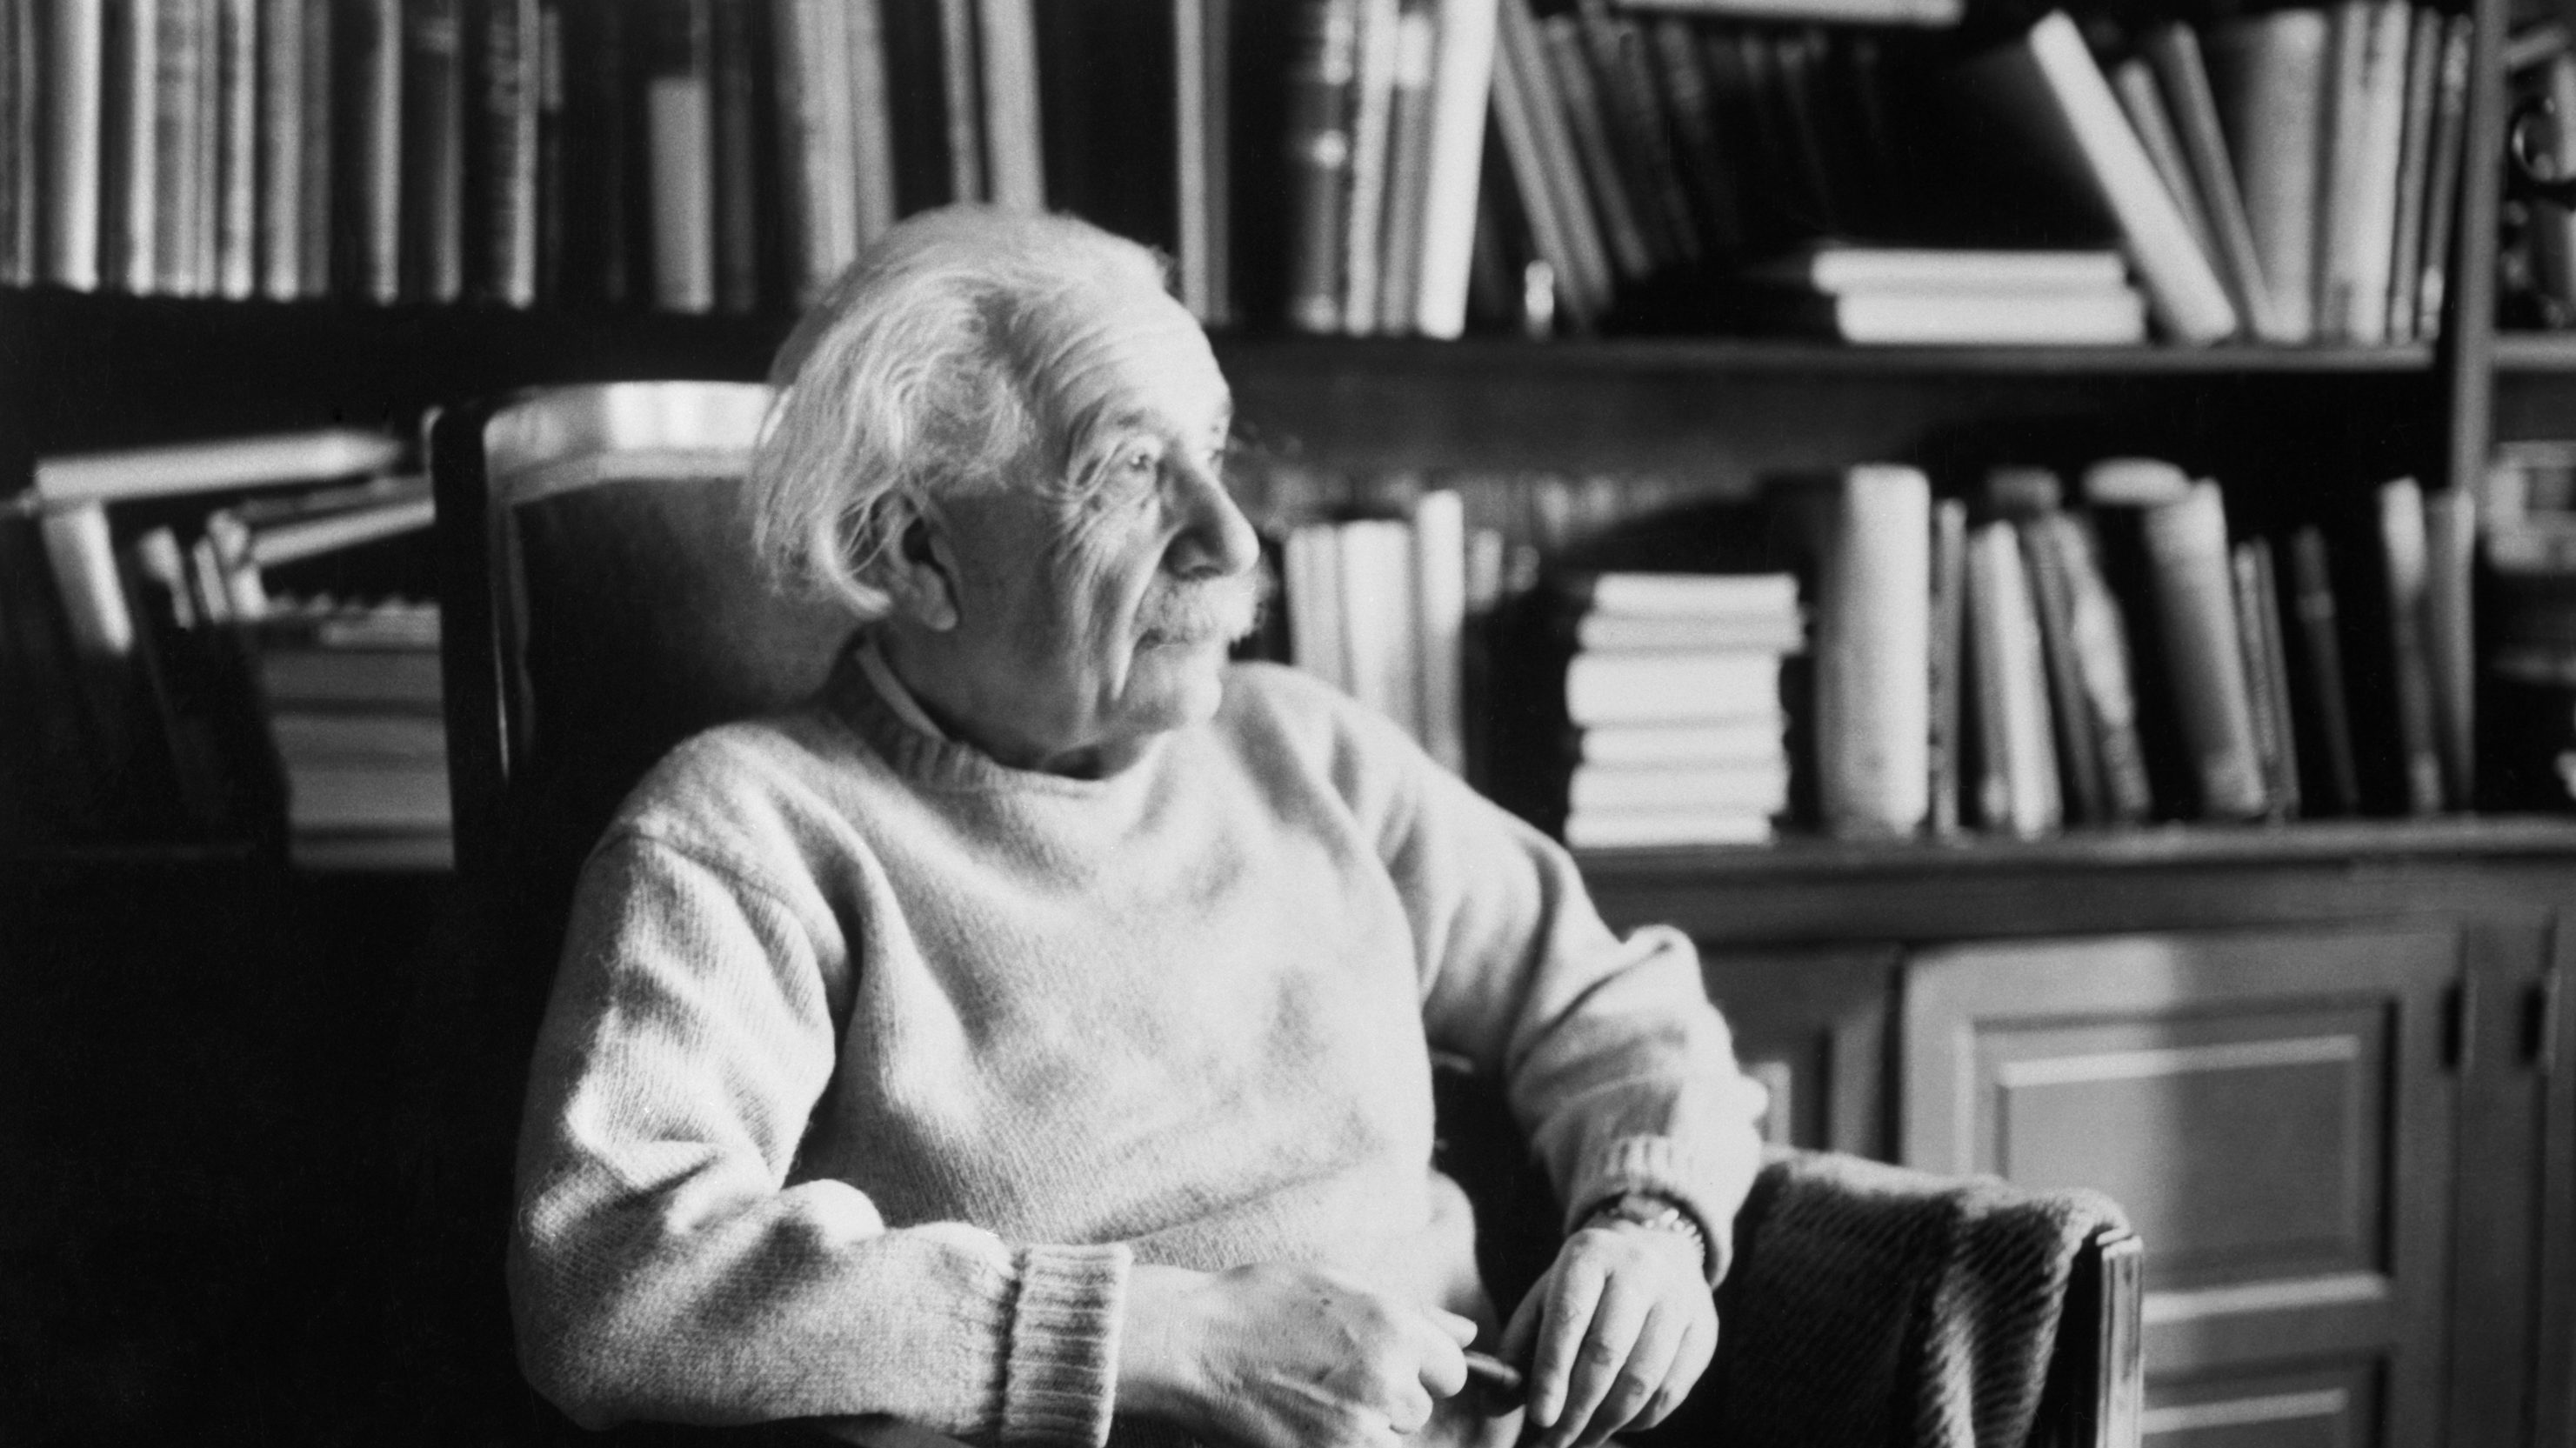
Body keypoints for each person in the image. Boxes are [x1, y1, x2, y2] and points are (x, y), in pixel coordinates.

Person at [507, 205, 1768, 1448]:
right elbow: (613, 1279)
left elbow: (1613, 1006)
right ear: (910, 548)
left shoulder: (1305, 752)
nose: (1229, 537)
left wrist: (1649, 1219)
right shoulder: (748, 830)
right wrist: (1163, 1339)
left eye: (1213, 451)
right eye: (1125, 474)